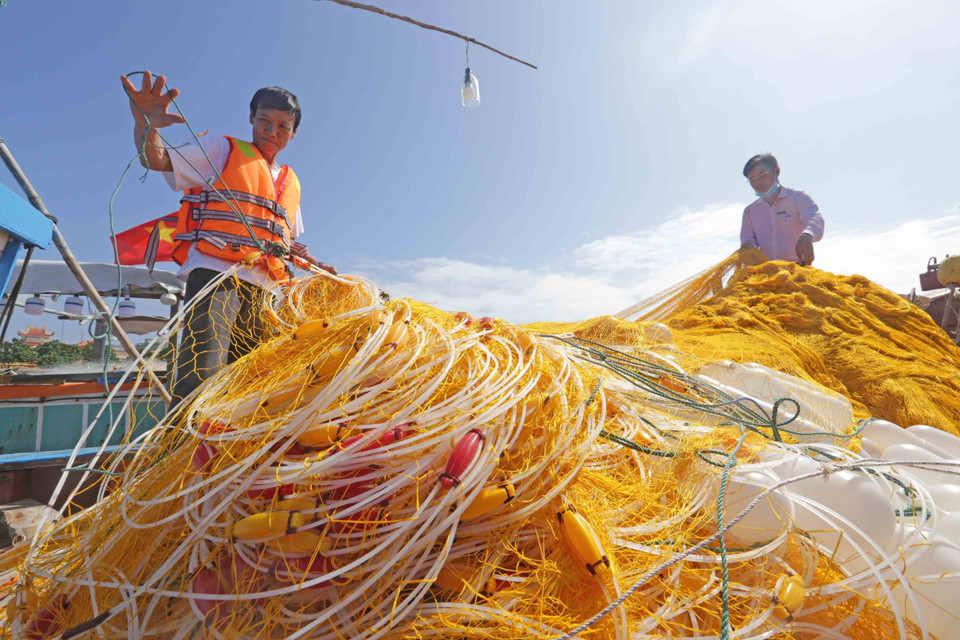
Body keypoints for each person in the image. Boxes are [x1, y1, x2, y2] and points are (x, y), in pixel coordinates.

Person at [121, 71, 337, 406]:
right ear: (251, 118)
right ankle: (184, 450)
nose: (271, 131)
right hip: (216, 276)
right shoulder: (220, 150)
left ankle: (235, 453)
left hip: (266, 291)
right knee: (203, 371)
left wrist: (317, 265)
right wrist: (147, 124)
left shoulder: (291, 182)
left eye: (282, 125)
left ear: (293, 134)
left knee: (254, 380)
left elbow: (282, 241)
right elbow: (156, 160)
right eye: (264, 120)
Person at [739, 154, 824, 266]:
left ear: (777, 171)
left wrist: (807, 235)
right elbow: (748, 240)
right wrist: (747, 248)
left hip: (799, 267)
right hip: (766, 271)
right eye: (753, 179)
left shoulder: (798, 198)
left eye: (762, 175)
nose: (758, 182)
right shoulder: (750, 212)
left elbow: (814, 218)